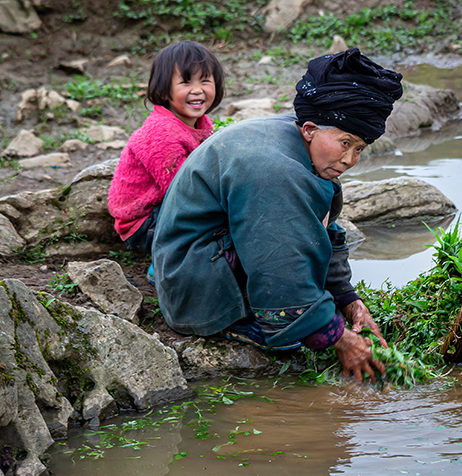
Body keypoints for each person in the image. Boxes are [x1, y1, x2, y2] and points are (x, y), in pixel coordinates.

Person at [152, 48, 403, 382]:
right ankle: (234, 319)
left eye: (359, 148)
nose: (350, 159)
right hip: (192, 280)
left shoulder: (300, 140)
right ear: (311, 129)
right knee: (289, 333)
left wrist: (348, 300)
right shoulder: (275, 171)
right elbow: (282, 261)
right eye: (345, 143)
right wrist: (339, 338)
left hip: (210, 251)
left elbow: (321, 229)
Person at [107, 41, 224, 269]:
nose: (198, 89)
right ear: (163, 90)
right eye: (186, 82)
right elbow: (182, 191)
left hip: (168, 204)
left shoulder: (202, 123)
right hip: (144, 222)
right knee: (220, 225)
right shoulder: (161, 133)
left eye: (205, 80)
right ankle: (166, 264)